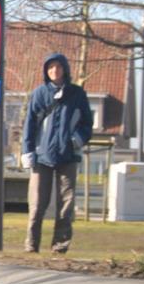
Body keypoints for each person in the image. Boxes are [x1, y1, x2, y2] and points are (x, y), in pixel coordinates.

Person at [20, 52, 93, 254]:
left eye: (58, 67)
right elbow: (29, 126)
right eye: (50, 67)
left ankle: (60, 246)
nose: (54, 70)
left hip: (68, 156)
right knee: (36, 204)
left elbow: (87, 123)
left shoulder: (77, 94)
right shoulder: (39, 93)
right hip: (41, 157)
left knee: (66, 205)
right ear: (46, 71)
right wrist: (28, 151)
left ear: (65, 69)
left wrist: (75, 140)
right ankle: (31, 244)